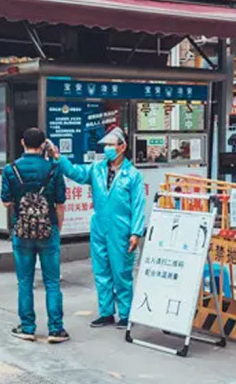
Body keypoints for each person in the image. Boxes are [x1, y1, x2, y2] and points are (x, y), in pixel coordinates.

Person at [49, 126, 146, 329]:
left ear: (122, 147)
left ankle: (126, 314)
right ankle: (106, 312)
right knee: (101, 271)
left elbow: (138, 206)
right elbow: (76, 172)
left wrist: (136, 232)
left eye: (111, 145)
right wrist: (59, 158)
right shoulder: (97, 169)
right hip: (100, 226)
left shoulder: (133, 175)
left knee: (121, 272)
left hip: (122, 229)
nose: (108, 149)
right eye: (106, 145)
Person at [1, 127, 69, 344]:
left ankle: (28, 327)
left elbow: (6, 201)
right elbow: (60, 203)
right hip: (48, 230)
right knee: (51, 282)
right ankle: (56, 329)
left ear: (22, 142)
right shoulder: (53, 169)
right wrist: (57, 226)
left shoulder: (11, 169)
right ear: (43, 145)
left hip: (22, 231)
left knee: (25, 281)